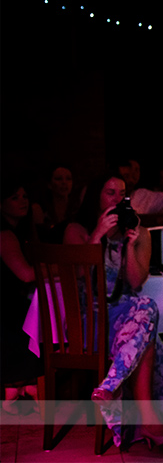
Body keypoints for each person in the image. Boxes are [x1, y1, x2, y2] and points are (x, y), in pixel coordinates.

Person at [63, 171, 163, 449]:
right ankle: (146, 422)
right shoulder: (77, 230)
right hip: (90, 321)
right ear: (95, 196)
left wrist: (130, 244)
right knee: (149, 333)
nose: (117, 199)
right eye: (109, 192)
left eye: (121, 193)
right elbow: (79, 273)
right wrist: (98, 234)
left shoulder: (140, 233)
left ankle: (113, 391)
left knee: (147, 318)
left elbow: (136, 283)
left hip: (127, 319)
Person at [1, 177, 42, 415]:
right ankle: (23, 385)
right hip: (6, 312)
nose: (22, 201)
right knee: (36, 315)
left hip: (14, 306)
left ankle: (24, 386)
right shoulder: (5, 234)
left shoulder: (20, 232)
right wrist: (61, 267)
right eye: (14, 197)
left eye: (25, 196)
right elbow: (26, 275)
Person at [31, 165, 80, 243]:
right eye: (58, 179)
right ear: (49, 184)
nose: (64, 182)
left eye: (68, 179)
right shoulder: (39, 209)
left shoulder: (77, 208)